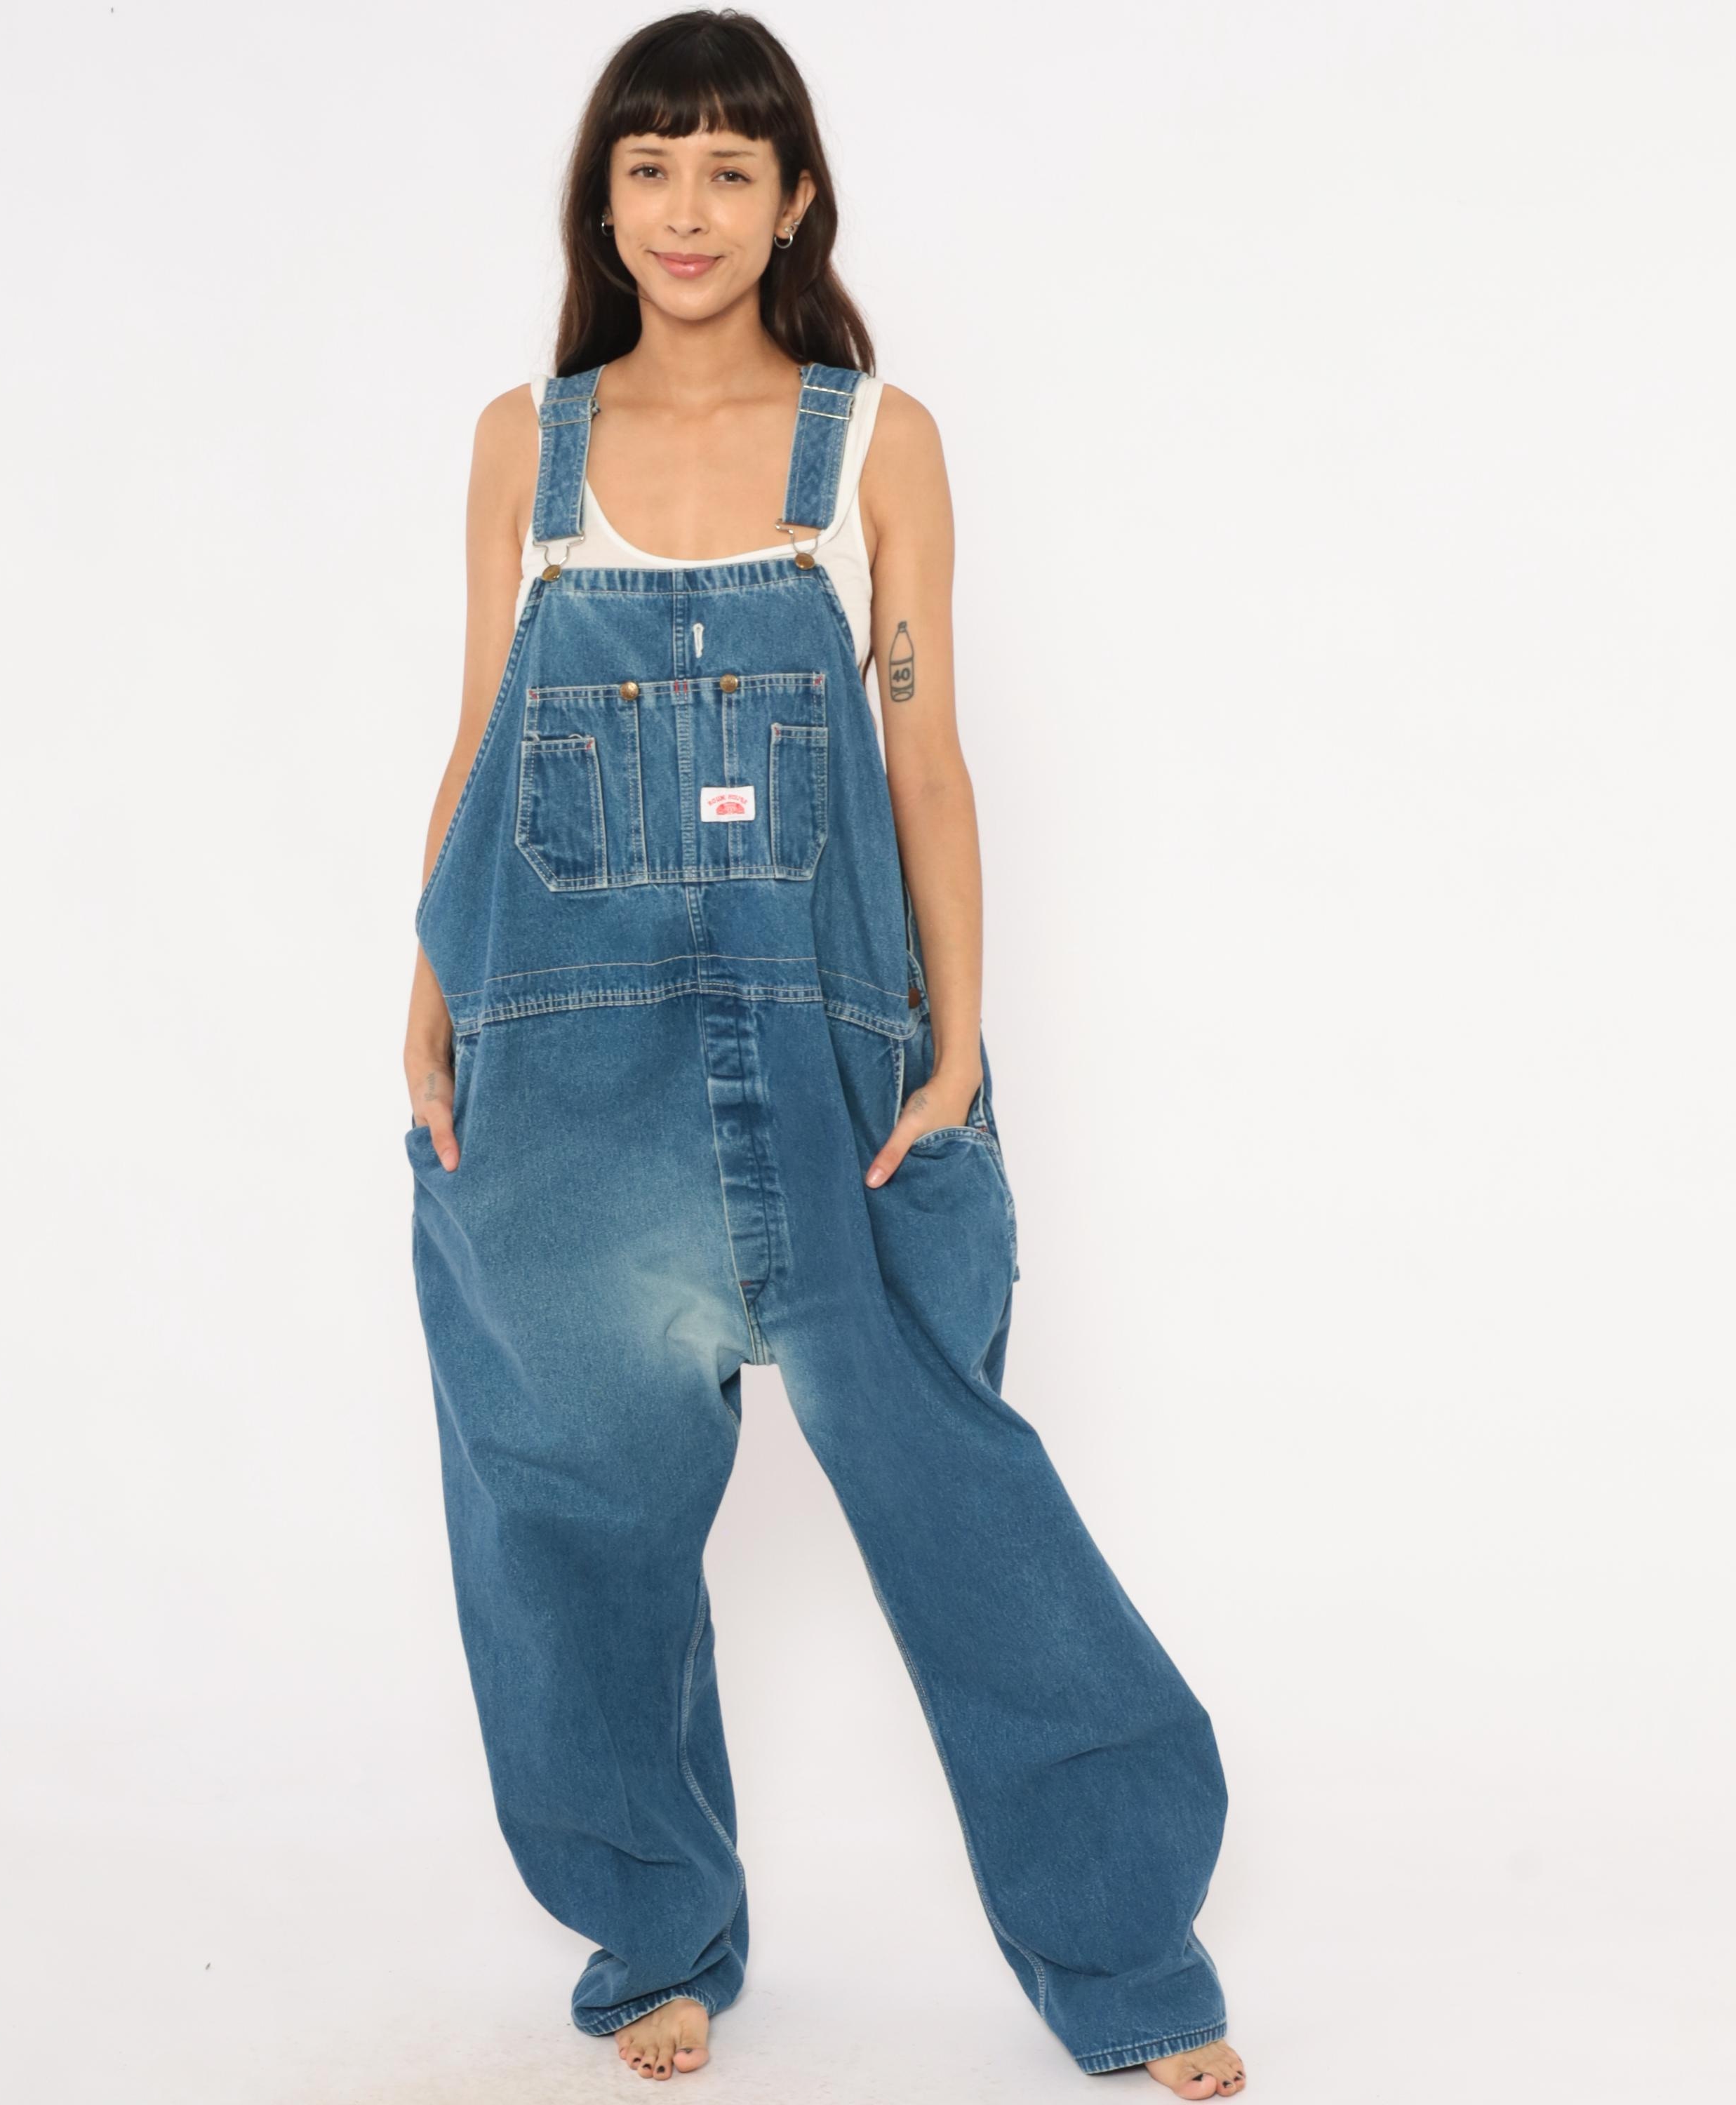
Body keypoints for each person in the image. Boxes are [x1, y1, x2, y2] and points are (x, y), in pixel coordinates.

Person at [401, 12, 1246, 2095]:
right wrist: (427, 995)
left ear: (794, 203)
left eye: (729, 169)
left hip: (832, 1045)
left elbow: (924, 756)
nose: (685, 211)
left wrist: (961, 1047)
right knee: (574, 1521)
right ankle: (656, 1940)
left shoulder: (878, 442)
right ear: (601, 202)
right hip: (558, 1059)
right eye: (649, 168)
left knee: (962, 1504)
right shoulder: (525, 443)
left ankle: (1126, 1950)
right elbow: (482, 738)